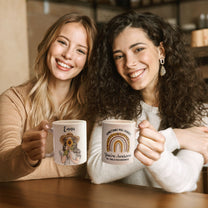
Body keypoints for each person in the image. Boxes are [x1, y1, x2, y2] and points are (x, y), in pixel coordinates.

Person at [86, 11, 208, 193]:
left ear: (161, 51)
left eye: (138, 49)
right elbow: (97, 171)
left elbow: (183, 182)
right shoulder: (112, 107)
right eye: (119, 56)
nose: (129, 63)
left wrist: (158, 141)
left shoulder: (198, 110)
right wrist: (174, 137)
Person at [0, 12, 97, 181]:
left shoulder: (93, 106)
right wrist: (27, 157)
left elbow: (86, 164)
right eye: (62, 42)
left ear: (88, 61)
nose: (68, 55)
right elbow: (3, 167)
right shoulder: (13, 100)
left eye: (80, 50)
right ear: (48, 44)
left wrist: (23, 169)